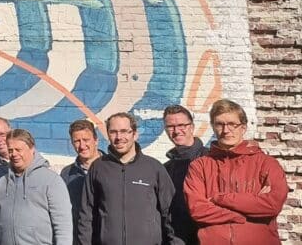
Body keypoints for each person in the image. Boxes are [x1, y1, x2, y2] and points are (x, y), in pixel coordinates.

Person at [184, 99, 288, 245]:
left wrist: (219, 199)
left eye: (232, 124)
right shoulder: (199, 166)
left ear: (243, 128)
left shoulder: (266, 164)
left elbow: (272, 205)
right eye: (219, 124)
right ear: (213, 127)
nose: (226, 130)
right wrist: (242, 214)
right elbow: (197, 209)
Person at [76, 113, 176, 245]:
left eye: (124, 131)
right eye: (113, 132)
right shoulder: (98, 168)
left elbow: (171, 213)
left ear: (135, 134)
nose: (119, 137)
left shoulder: (153, 168)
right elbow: (86, 215)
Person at [0, 129, 71, 245]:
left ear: (32, 149)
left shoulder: (51, 181)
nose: (14, 154)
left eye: (18, 150)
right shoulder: (1, 184)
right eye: (10, 150)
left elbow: (63, 227)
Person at [161, 104, 209, 245]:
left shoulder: (210, 159)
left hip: (205, 236)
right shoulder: (166, 168)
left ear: (192, 127)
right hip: (177, 238)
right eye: (170, 126)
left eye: (182, 125)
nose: (176, 131)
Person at [60, 119, 103, 242]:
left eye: (86, 140)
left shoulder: (112, 168)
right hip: (79, 239)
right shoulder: (67, 174)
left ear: (96, 140)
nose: (82, 146)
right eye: (77, 141)